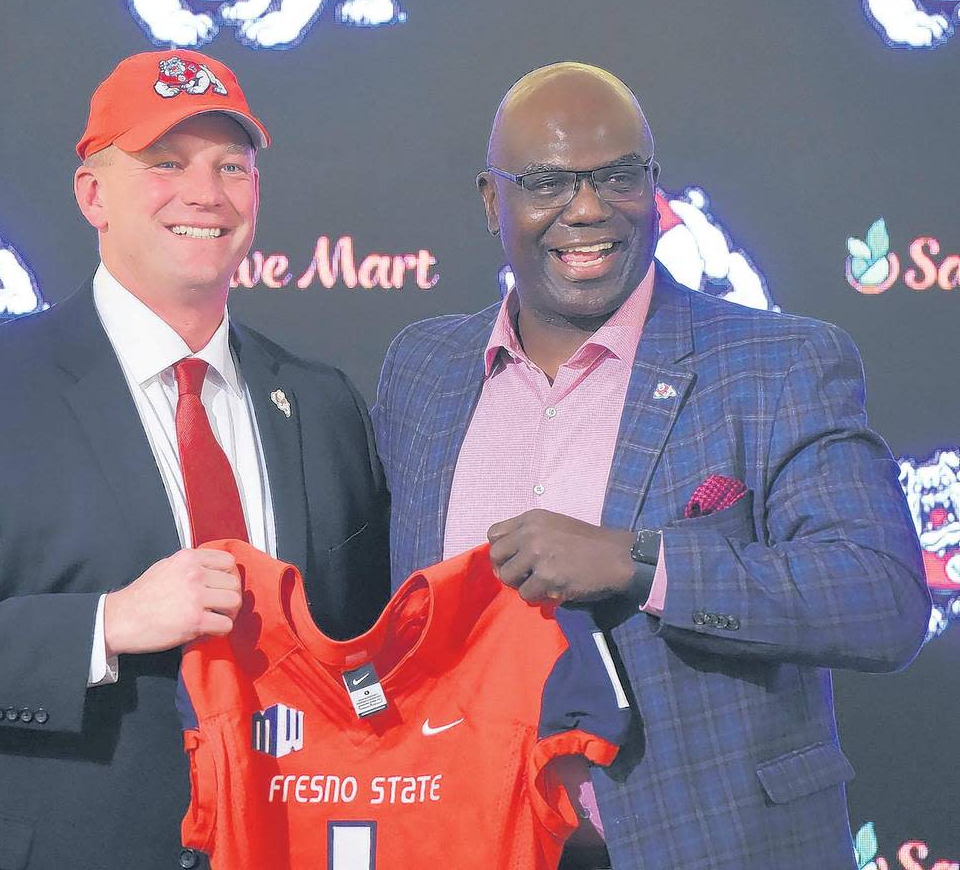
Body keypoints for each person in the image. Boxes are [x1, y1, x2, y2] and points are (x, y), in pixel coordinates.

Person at [0, 50, 389, 870]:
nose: (206, 192)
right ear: (93, 193)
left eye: (232, 166)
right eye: (165, 163)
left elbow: (358, 658)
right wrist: (108, 624)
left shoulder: (322, 403)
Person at [371, 62, 929, 870]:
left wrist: (640, 563)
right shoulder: (423, 370)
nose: (589, 208)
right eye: (547, 181)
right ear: (493, 202)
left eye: (619, 176)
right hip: (464, 844)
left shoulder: (778, 363)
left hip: (712, 850)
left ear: (654, 186)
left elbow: (880, 601)